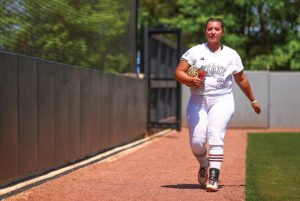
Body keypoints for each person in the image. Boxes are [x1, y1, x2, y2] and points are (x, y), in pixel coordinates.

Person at [175, 18, 261, 192]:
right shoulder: (195, 51)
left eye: (217, 29)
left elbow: (241, 79)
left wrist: (253, 100)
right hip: (198, 100)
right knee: (196, 141)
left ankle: (214, 177)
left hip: (222, 100)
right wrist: (191, 80)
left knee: (216, 137)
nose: (213, 32)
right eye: (209, 29)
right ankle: (203, 164)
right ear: (205, 31)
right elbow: (178, 73)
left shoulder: (231, 54)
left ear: (222, 32)